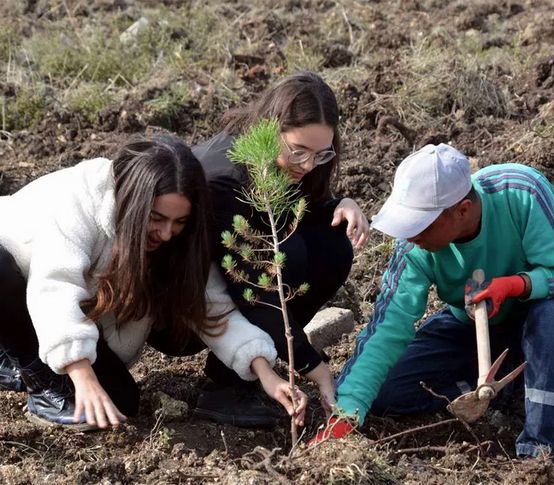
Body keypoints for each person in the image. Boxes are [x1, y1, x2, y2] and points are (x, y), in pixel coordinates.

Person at [0, 135, 307, 430]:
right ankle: (33, 378)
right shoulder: (79, 200)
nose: (166, 233)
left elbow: (213, 306)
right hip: (20, 282)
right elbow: (55, 289)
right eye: (157, 218)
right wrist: (83, 379)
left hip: (47, 309)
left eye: (179, 222)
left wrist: (267, 374)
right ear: (134, 201)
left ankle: (18, 358)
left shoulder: (174, 242)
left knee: (120, 401)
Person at [310, 143, 554, 458]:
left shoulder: (521, 193)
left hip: (540, 316)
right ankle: (508, 382)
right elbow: (387, 327)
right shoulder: (414, 247)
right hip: (470, 325)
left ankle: (540, 448)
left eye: (419, 224)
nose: (410, 235)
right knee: (387, 392)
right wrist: (346, 413)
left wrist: (518, 284)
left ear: (462, 210)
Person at [192, 71, 370, 425]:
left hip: (245, 284)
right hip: (193, 302)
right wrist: (314, 367)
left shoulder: (305, 160)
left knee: (333, 245)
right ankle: (232, 382)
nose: (307, 165)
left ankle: (234, 372)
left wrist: (340, 202)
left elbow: (299, 208)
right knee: (290, 256)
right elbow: (253, 290)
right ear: (270, 129)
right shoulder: (225, 180)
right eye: (298, 151)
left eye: (320, 154)